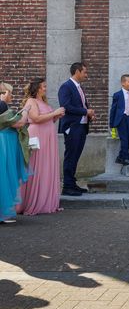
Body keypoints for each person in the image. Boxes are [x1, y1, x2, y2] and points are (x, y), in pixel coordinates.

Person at [16, 79, 65, 216]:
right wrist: (55, 113)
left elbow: (47, 118)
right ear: (37, 88)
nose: (45, 88)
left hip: (48, 136)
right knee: (36, 167)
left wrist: (56, 117)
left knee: (46, 167)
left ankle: (45, 201)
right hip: (38, 136)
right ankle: (31, 202)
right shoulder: (31, 101)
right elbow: (35, 118)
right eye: (44, 86)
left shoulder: (44, 102)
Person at [58, 62, 95, 196]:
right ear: (77, 72)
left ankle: (72, 183)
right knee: (71, 156)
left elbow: (81, 105)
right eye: (84, 72)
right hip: (72, 127)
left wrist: (89, 114)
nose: (86, 75)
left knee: (75, 157)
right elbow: (65, 106)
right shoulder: (66, 87)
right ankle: (67, 186)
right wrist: (85, 112)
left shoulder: (79, 87)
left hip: (81, 127)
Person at [0, 83, 30, 224]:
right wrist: (25, 111)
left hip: (5, 143)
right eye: (9, 93)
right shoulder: (2, 105)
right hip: (4, 144)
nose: (10, 96)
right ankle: (3, 214)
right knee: (4, 176)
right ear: (3, 93)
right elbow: (18, 124)